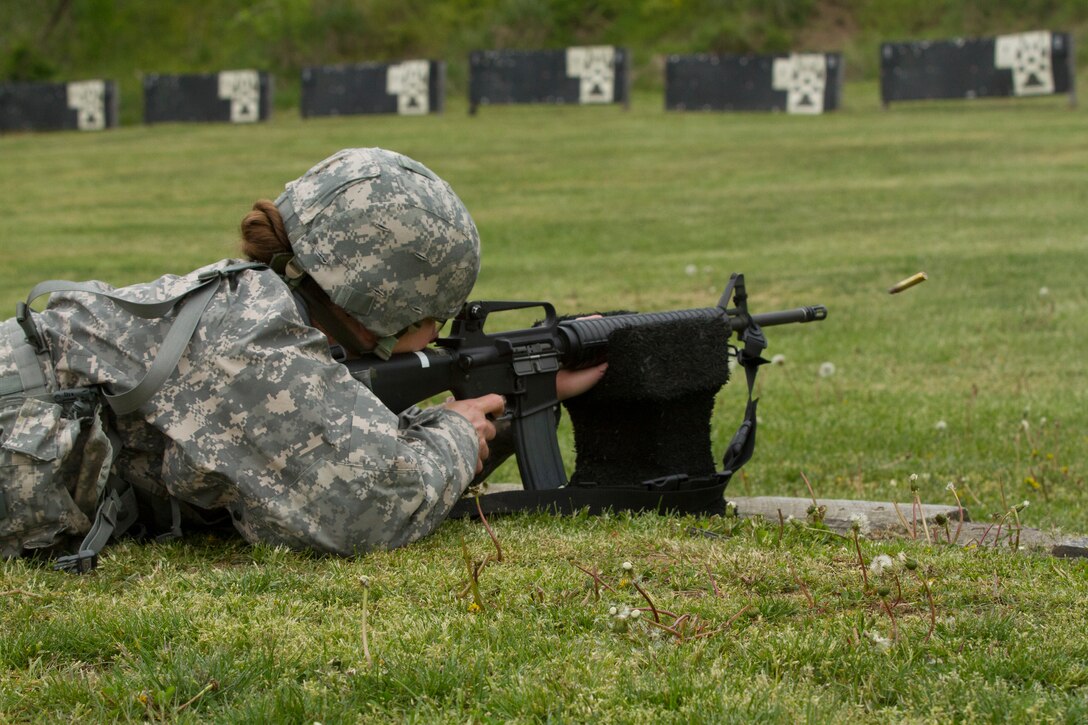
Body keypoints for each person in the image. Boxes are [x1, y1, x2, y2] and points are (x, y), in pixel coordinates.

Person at [0, 147, 604, 563]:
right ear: (392, 311)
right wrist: (452, 431)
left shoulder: (255, 305)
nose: (437, 334)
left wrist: (526, 390)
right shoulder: (253, 342)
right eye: (435, 319)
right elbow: (366, 508)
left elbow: (322, 447)